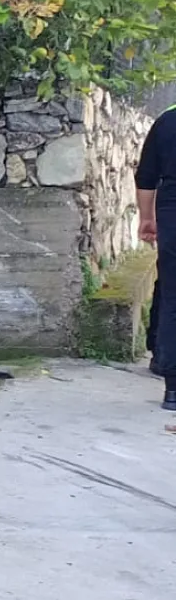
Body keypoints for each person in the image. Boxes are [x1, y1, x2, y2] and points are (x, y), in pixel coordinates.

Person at [134, 103, 176, 410]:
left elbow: (146, 177)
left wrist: (147, 219)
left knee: (173, 299)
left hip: (172, 211)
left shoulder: (167, 121)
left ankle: (173, 389)